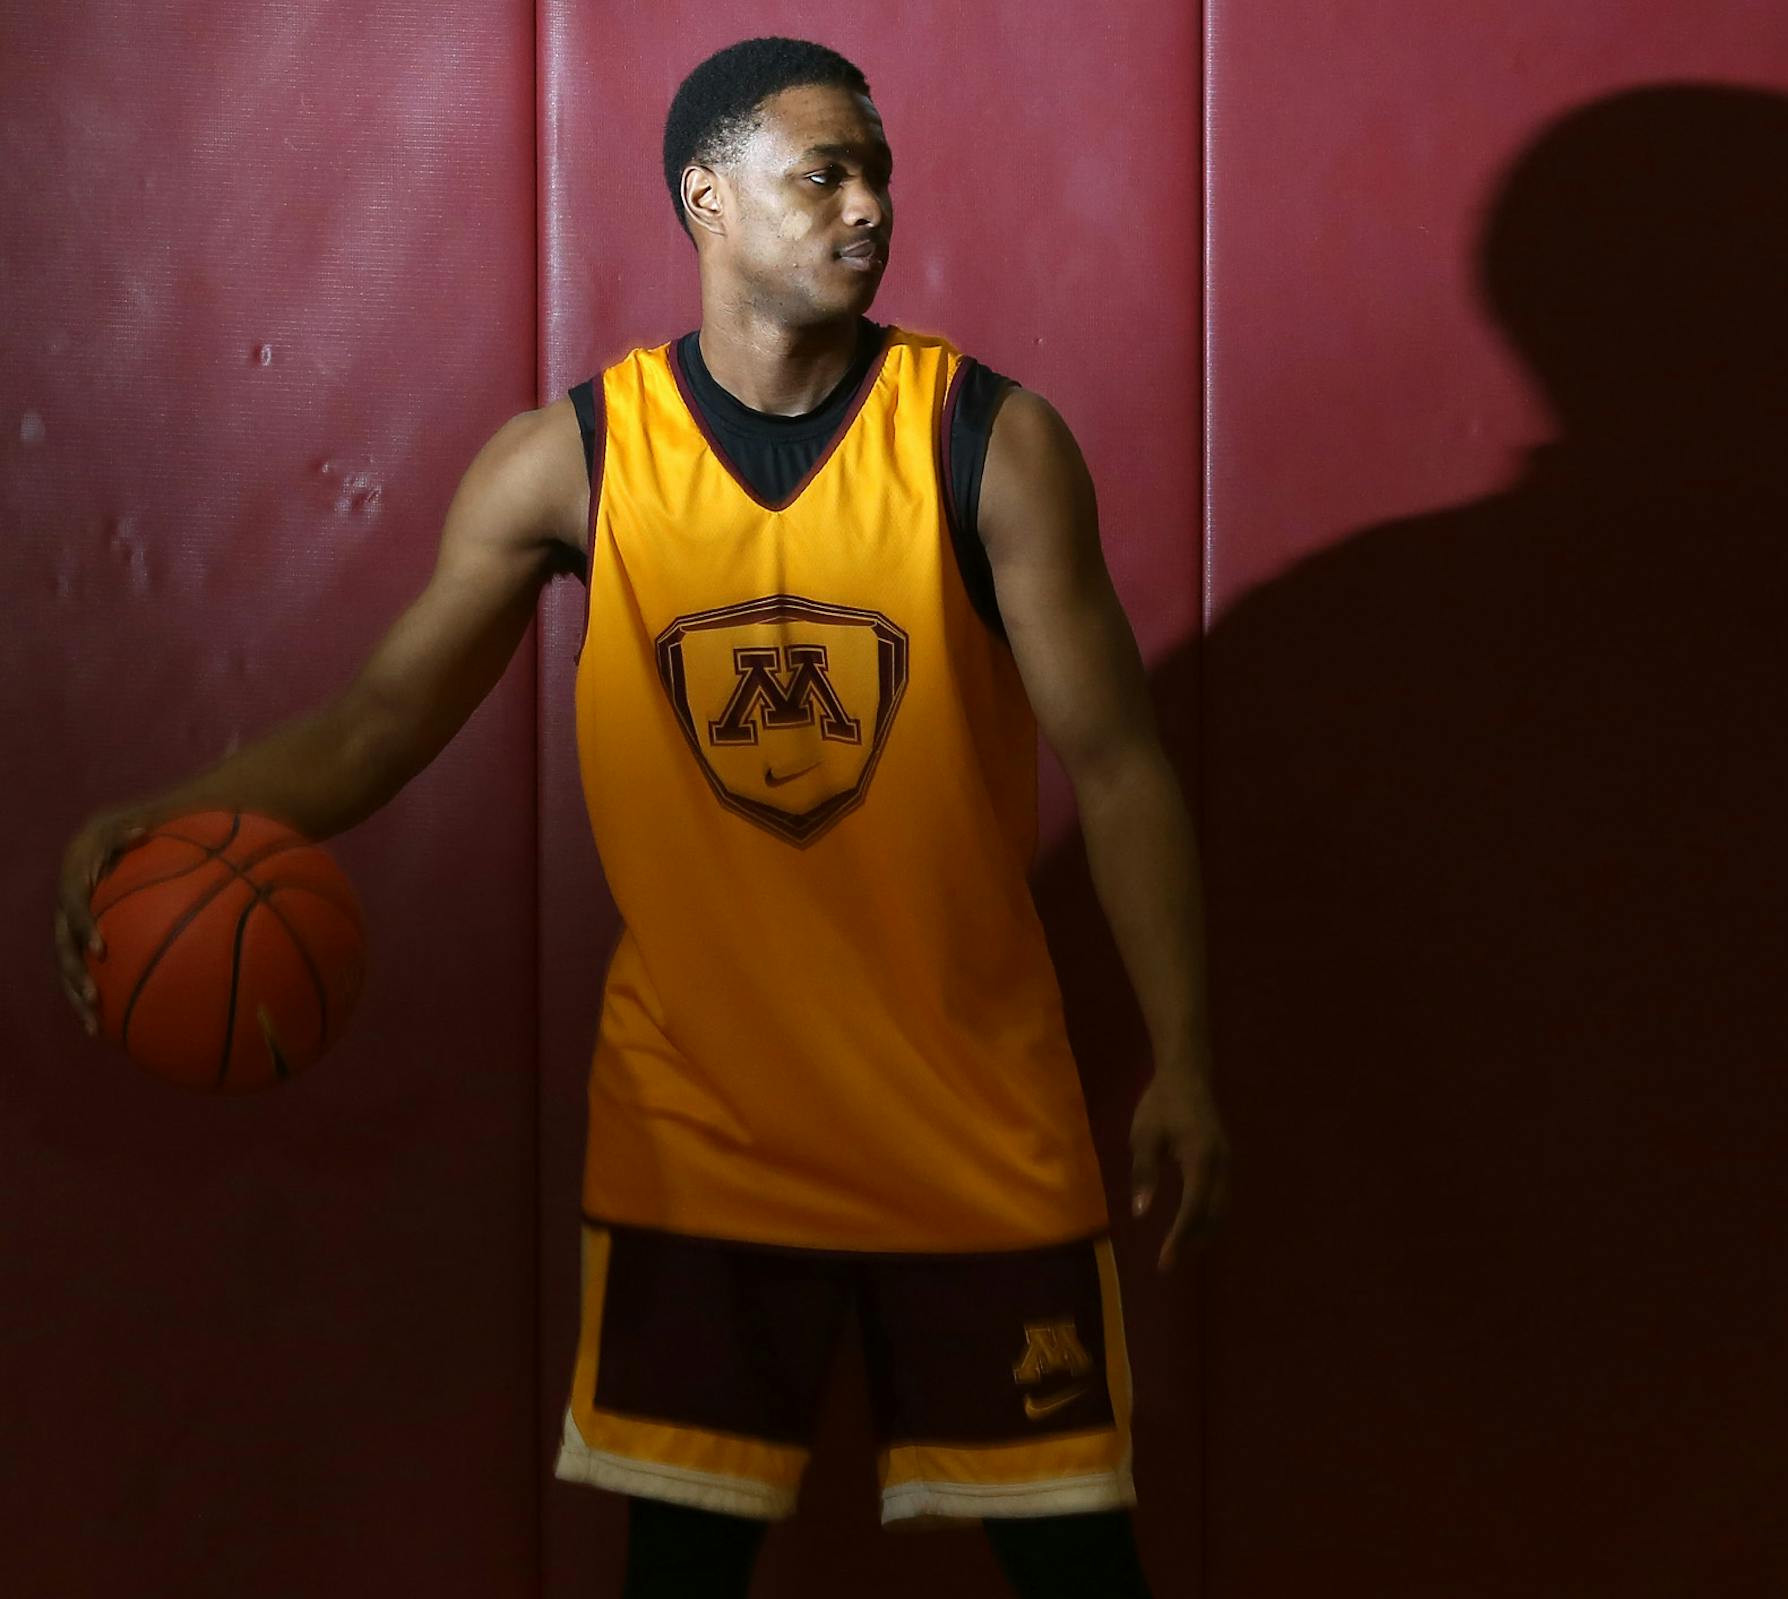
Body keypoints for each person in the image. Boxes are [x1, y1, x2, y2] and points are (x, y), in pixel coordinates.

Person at [52, 36, 1227, 1599]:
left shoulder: (987, 443)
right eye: (824, 174)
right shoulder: (576, 464)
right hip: (705, 1135)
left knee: (1084, 1574)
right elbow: (380, 722)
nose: (868, 207)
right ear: (706, 198)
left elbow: (1126, 764)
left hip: (973, 1117)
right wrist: (160, 819)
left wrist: (1185, 1052)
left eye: (877, 175)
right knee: (677, 1580)